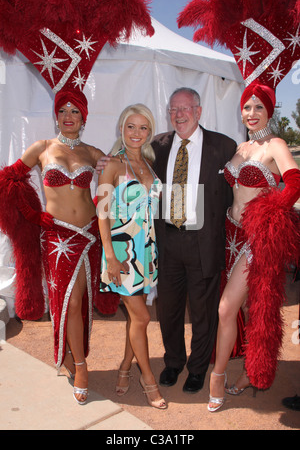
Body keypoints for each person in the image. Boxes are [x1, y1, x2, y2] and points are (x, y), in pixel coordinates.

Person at [0, 88, 105, 405]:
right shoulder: (42, 148)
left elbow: (120, 181)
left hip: (87, 237)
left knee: (80, 303)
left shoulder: (93, 153)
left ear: (84, 116)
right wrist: (32, 214)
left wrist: (103, 205)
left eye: (75, 111)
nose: (68, 117)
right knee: (67, 303)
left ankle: (75, 357)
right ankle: (80, 366)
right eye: (63, 111)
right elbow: (7, 181)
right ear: (56, 115)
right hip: (57, 238)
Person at [208, 83, 300, 412]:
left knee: (226, 309)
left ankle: (217, 376)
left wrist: (273, 214)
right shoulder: (241, 148)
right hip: (229, 238)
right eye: (247, 107)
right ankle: (250, 371)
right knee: (248, 310)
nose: (251, 113)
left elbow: (295, 180)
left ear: (269, 112)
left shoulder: (275, 144)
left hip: (254, 238)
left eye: (258, 107)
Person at [151, 87, 237, 394]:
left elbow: (235, 192)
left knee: (204, 311)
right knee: (168, 309)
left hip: (204, 241)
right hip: (168, 240)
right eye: (173, 109)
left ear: (198, 111)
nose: (179, 115)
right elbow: (132, 166)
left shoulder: (224, 146)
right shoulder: (158, 145)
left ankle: (198, 368)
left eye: (185, 108)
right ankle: (174, 361)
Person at [97, 104, 167, 409]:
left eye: (143, 128)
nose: (136, 133)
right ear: (121, 129)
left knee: (135, 321)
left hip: (146, 252)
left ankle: (125, 367)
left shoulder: (149, 165)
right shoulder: (113, 165)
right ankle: (147, 379)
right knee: (142, 317)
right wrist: (111, 258)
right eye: (130, 127)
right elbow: (101, 215)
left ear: (150, 132)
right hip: (122, 253)